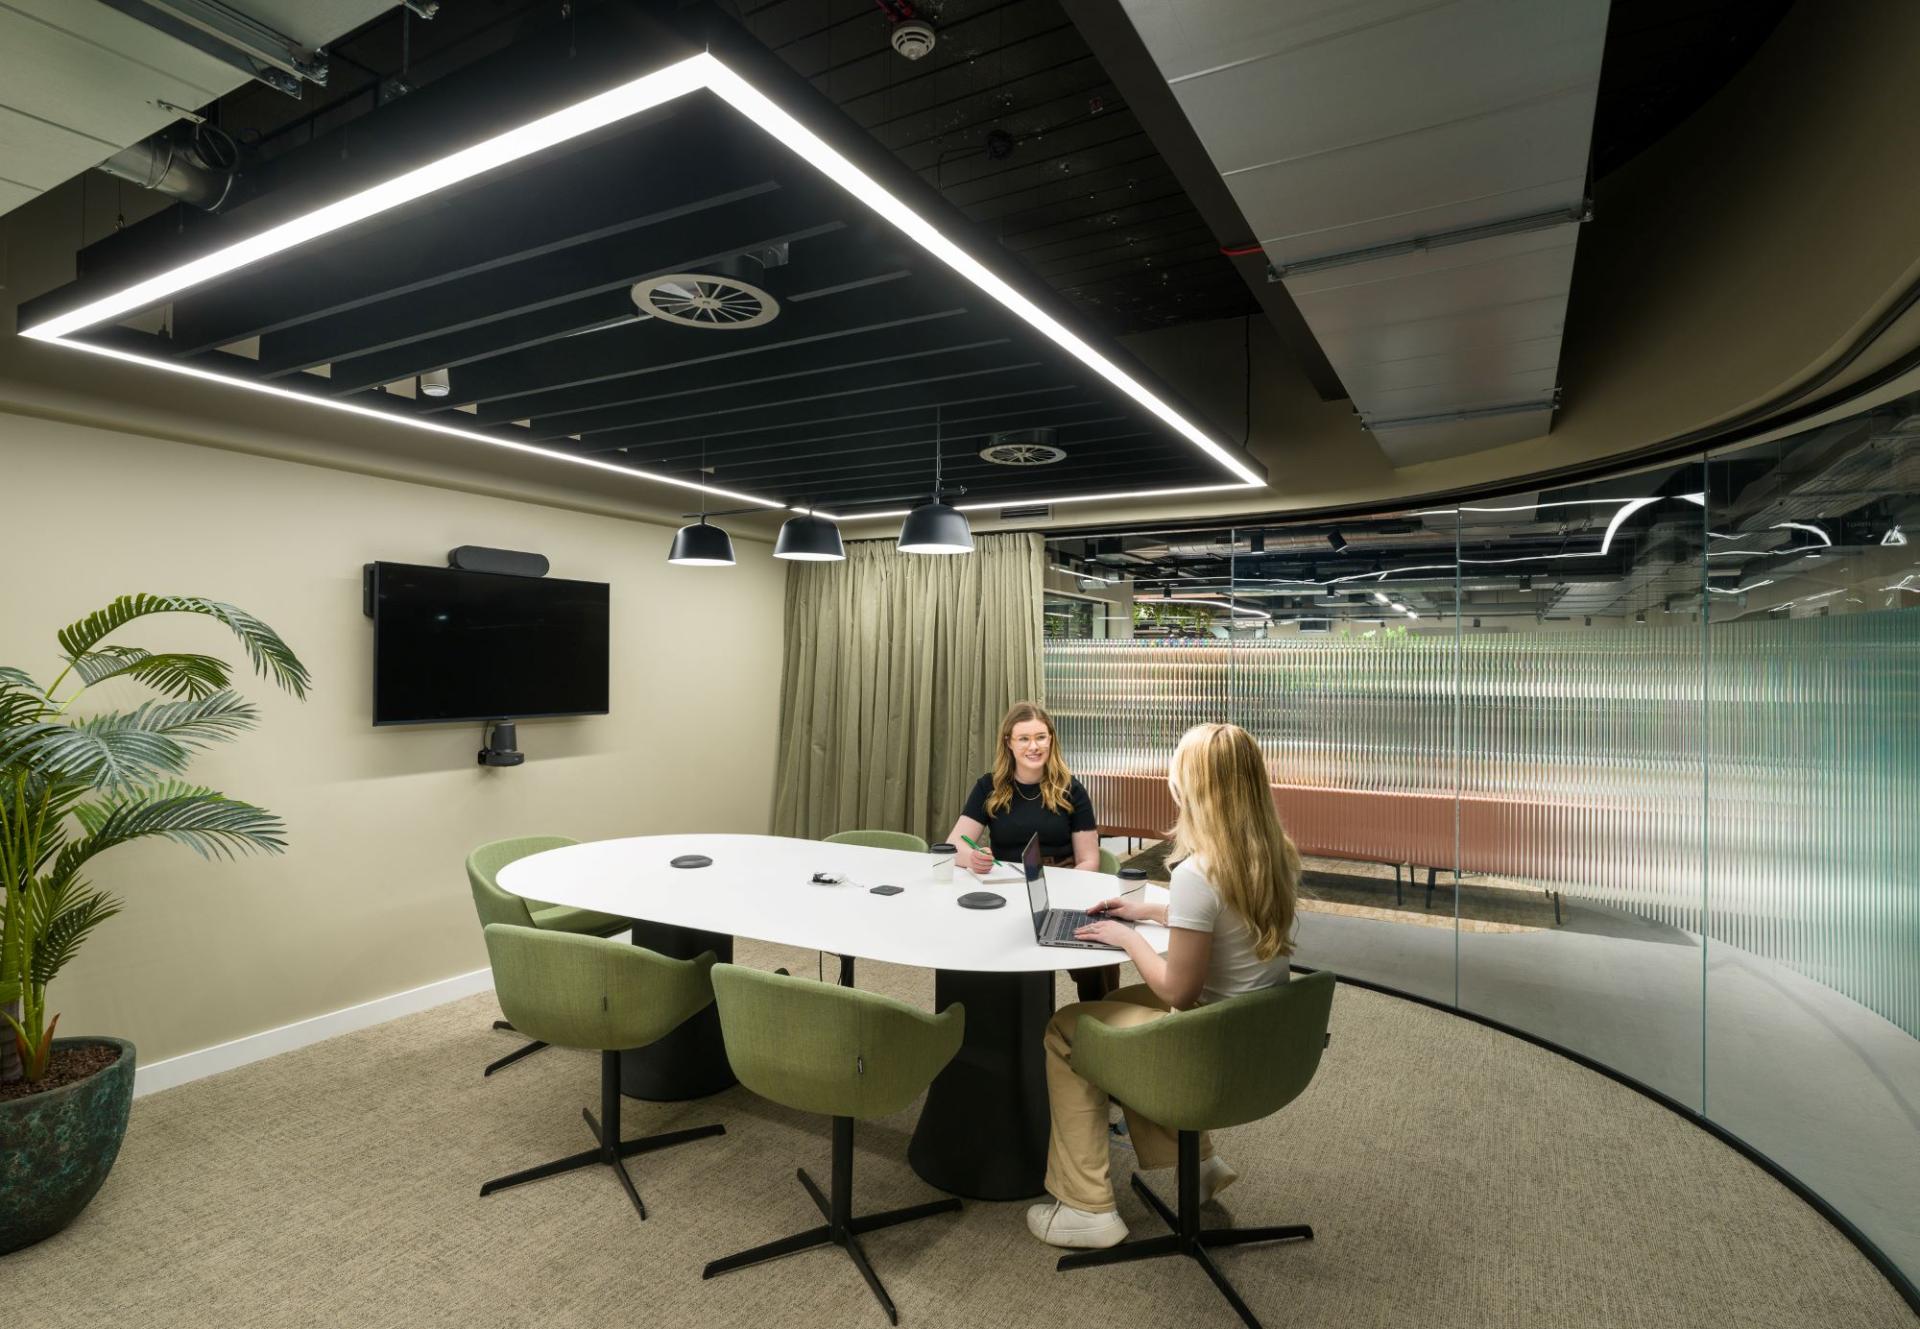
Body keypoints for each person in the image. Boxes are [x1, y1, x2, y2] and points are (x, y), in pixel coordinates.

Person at [1025, 721, 1300, 1250]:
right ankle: (1197, 1161)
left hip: (1207, 1045)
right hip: (1260, 1031)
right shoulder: (1271, 853)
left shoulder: (1199, 872)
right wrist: (1152, 910)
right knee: (1116, 1005)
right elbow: (1226, 916)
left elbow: (1179, 992)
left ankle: (1086, 1208)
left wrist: (1129, 938)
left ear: (1195, 789)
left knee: (1066, 1030)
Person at [946, 701, 1114, 1002]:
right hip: (1007, 889)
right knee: (980, 947)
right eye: (1024, 738)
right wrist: (972, 858)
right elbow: (954, 844)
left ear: (1051, 739)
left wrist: (1065, 887)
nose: (1033, 746)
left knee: (1097, 954)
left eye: (1040, 737)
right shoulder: (989, 787)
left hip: (1065, 886)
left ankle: (1098, 1023)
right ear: (1009, 743)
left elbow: (1089, 859)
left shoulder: (1071, 790)